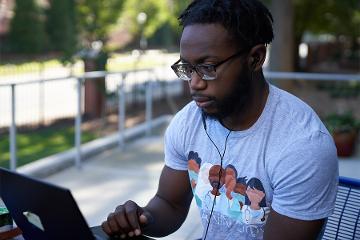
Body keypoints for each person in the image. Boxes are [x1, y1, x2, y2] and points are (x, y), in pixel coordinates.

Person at [101, 0, 338, 239]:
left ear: (255, 58)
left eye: (208, 67)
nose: (194, 83)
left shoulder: (303, 147)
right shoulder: (187, 122)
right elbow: (169, 204)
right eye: (187, 68)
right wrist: (141, 219)